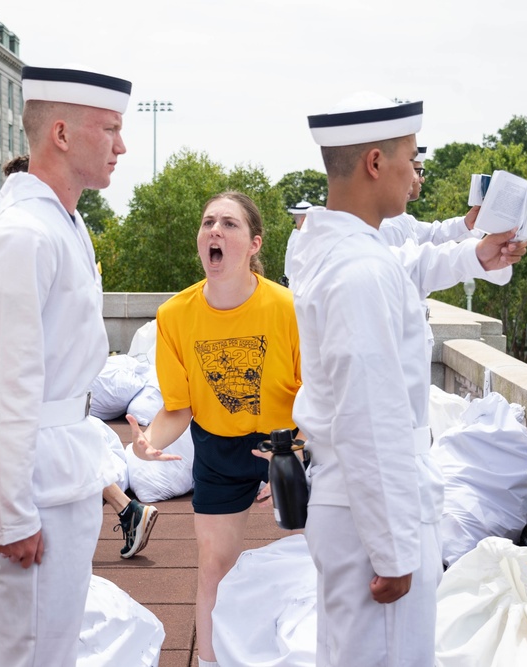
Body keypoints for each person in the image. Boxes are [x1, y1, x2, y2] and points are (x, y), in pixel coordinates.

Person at [288, 92, 526, 667]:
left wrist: (476, 256)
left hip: (354, 503)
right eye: (412, 156)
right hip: (376, 512)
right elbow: (368, 419)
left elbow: (410, 264)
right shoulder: (358, 269)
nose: (416, 170)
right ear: (375, 163)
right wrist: (393, 548)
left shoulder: (340, 246)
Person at [0, 65, 132, 667]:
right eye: (109, 129)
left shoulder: (64, 222)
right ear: (61, 133)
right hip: (34, 481)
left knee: (54, 650)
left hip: (64, 467)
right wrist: (8, 516)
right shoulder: (23, 236)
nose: (122, 145)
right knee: (29, 655)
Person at [127, 191, 303, 667]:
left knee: (328, 557)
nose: (215, 231)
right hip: (218, 449)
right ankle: (209, 662)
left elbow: (319, 395)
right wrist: (147, 442)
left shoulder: (289, 309)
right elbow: (177, 410)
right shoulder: (174, 316)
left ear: (254, 244)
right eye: (208, 223)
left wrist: (300, 452)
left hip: (289, 447)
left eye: (229, 223)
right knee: (213, 569)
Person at [0, 152, 159, 559]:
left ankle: (126, 510)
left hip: (48, 380)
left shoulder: (31, 234)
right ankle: (127, 510)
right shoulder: (71, 231)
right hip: (68, 378)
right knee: (76, 450)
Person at [379, 145, 481, 248]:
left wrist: (467, 223)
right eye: (418, 172)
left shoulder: (400, 219)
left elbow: (432, 235)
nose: (420, 179)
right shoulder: (388, 226)